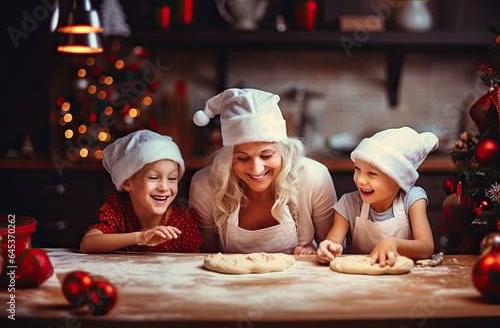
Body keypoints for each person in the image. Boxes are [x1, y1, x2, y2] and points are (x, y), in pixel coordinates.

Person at [189, 88, 337, 255]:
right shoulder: (205, 186)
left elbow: (333, 248)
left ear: (283, 150)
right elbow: (205, 255)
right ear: (227, 159)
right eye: (243, 158)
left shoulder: (314, 177)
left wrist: (314, 254)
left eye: (266, 155)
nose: (256, 169)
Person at [317, 127, 437, 267]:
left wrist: (394, 243)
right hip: (358, 281)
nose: (360, 180)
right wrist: (328, 250)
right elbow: (333, 243)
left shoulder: (412, 199)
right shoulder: (348, 204)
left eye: (372, 174)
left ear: (398, 179)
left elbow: (427, 248)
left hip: (404, 280)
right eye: (357, 169)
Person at [80, 129, 204, 253]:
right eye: (153, 178)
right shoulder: (118, 210)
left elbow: (194, 263)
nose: (164, 187)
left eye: (172, 178)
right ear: (127, 183)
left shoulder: (184, 219)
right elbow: (88, 244)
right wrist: (140, 237)